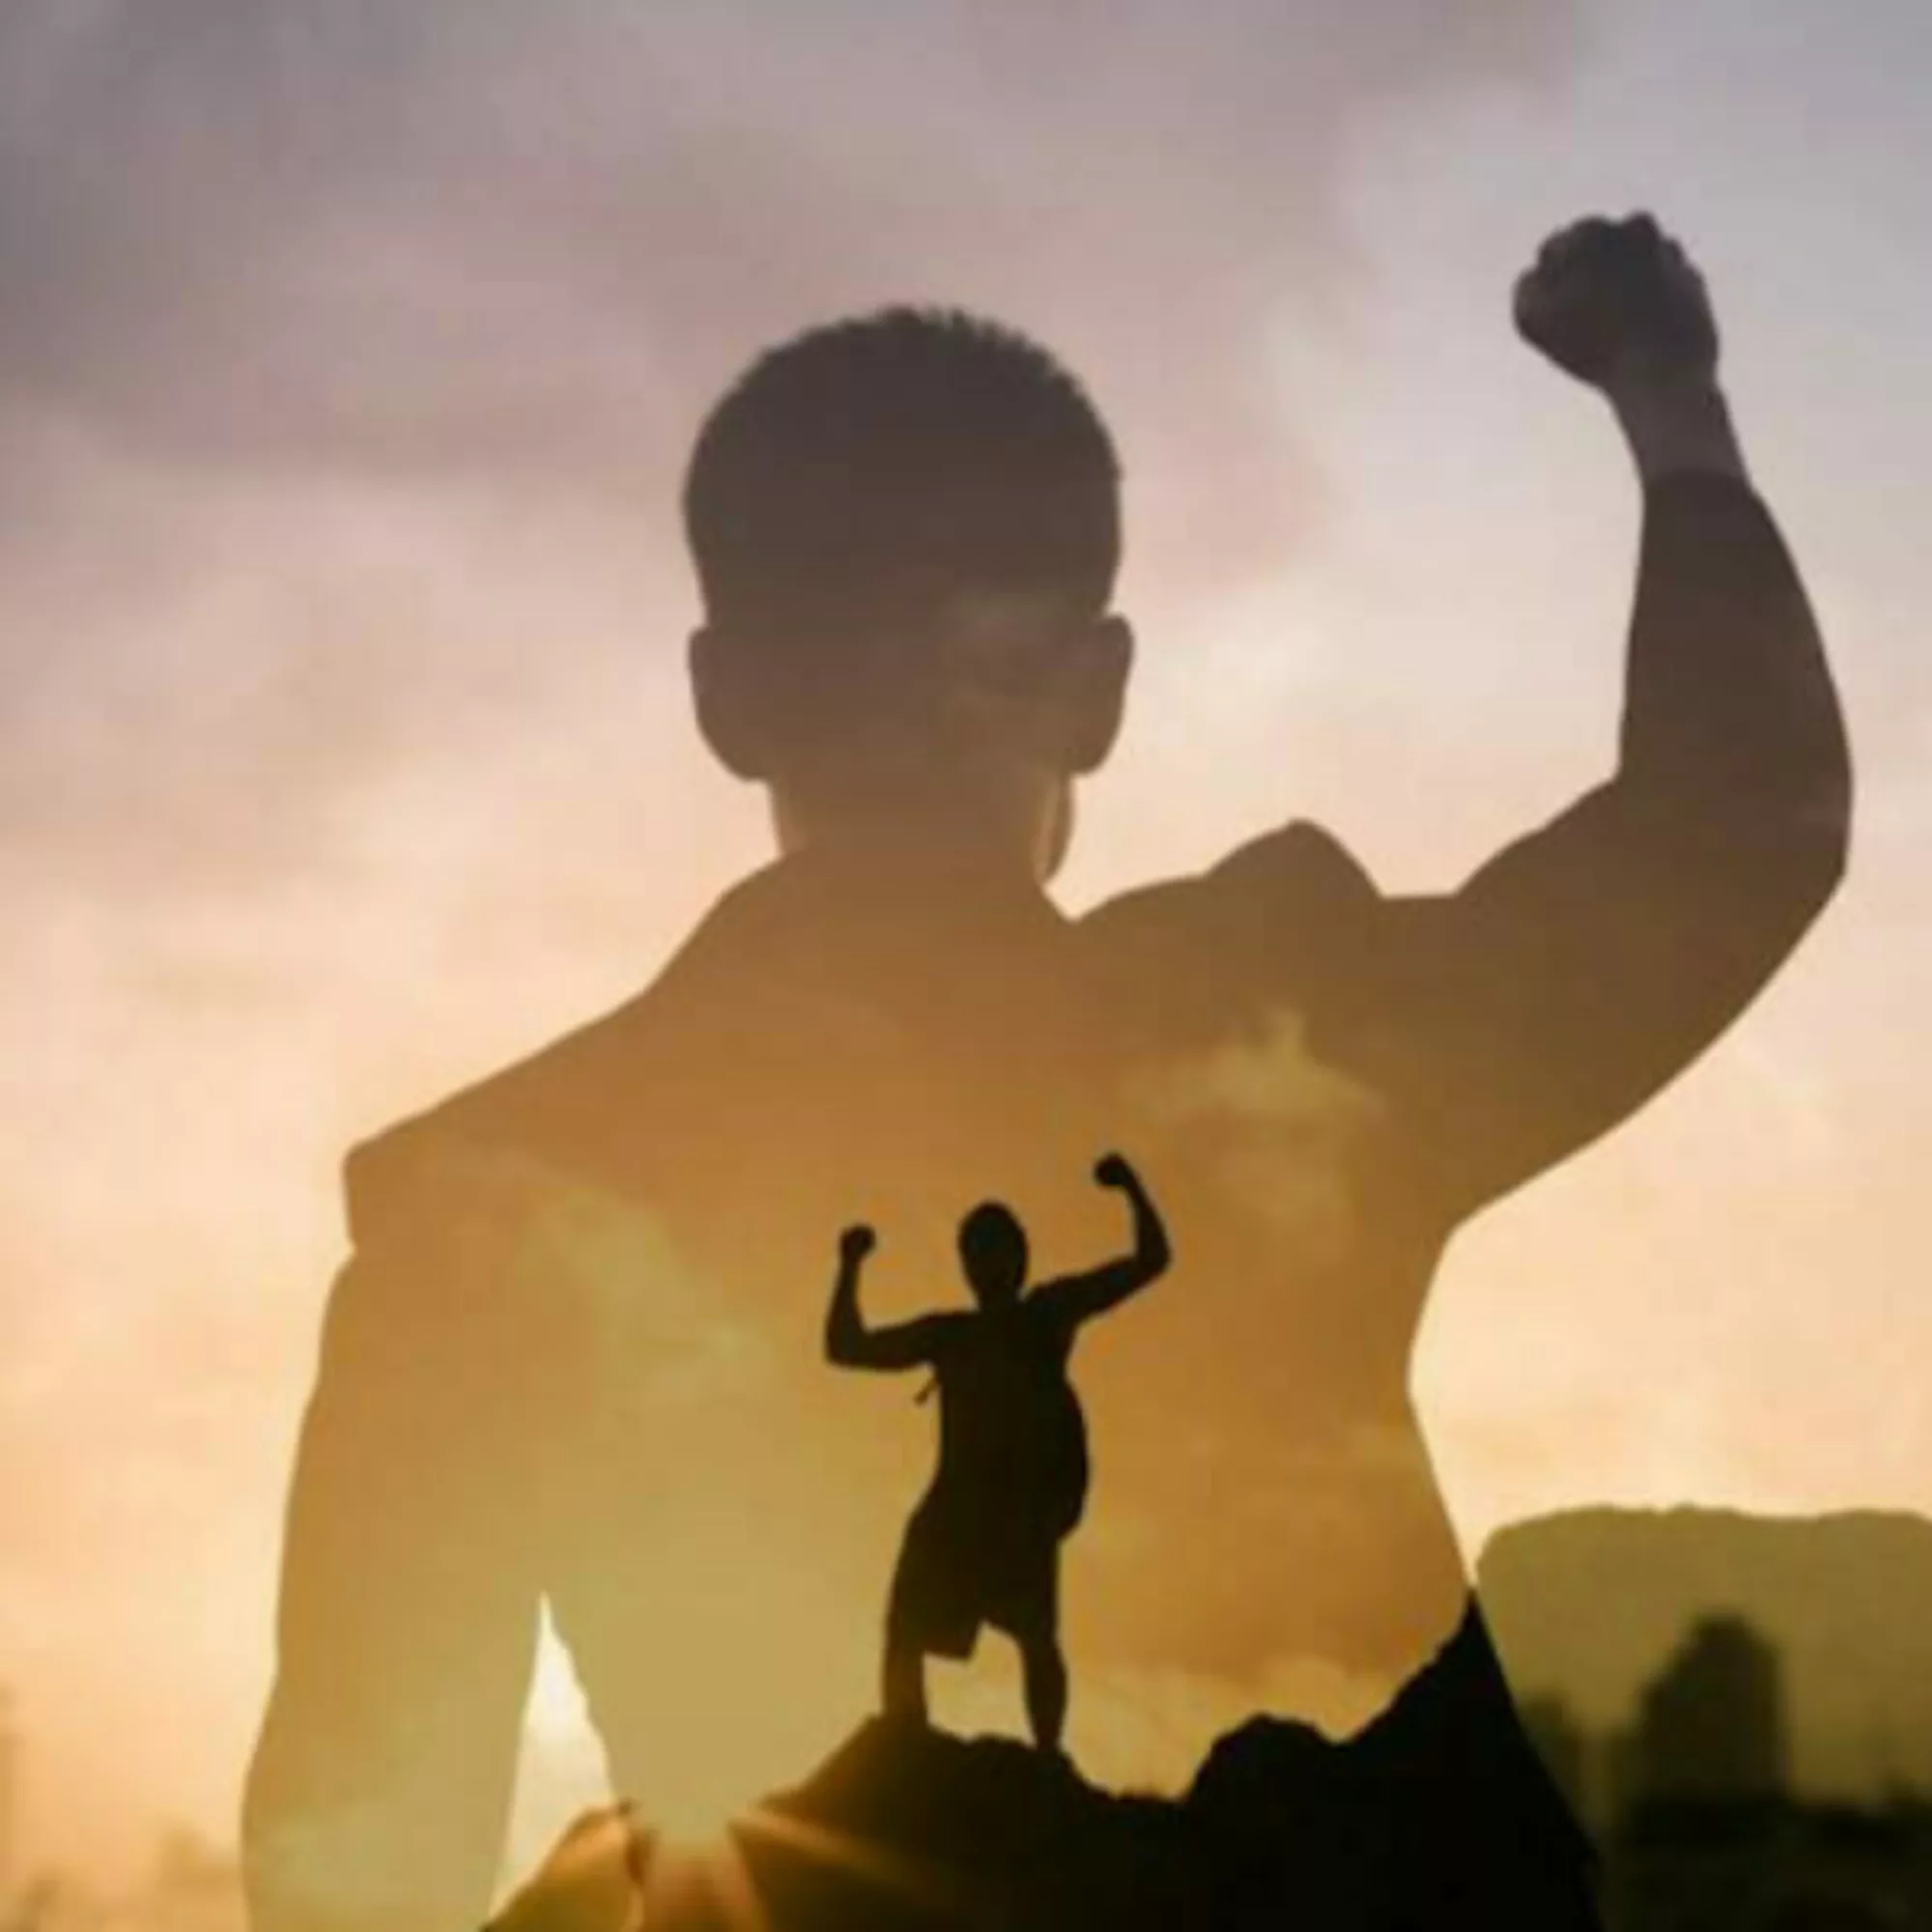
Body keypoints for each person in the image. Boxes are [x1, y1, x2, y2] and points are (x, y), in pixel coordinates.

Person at [244, 212, 1851, 1932]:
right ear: (1096, 696)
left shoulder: (477, 1213)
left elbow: (357, 1866)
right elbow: (1729, 830)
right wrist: (1667, 397)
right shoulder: (1286, 1043)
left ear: (726, 704)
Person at [826, 1153, 1171, 1753]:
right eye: (974, 1251)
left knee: (1036, 1636)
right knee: (905, 1630)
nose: (984, 1262)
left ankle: (1046, 1759)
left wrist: (1133, 1189)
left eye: (995, 1249)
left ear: (1019, 1258)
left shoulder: (1047, 1314)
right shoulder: (950, 1335)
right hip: (953, 1510)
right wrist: (849, 1266)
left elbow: (1149, 1261)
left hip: (1018, 1512)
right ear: (965, 1264)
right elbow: (847, 1347)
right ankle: (908, 1749)